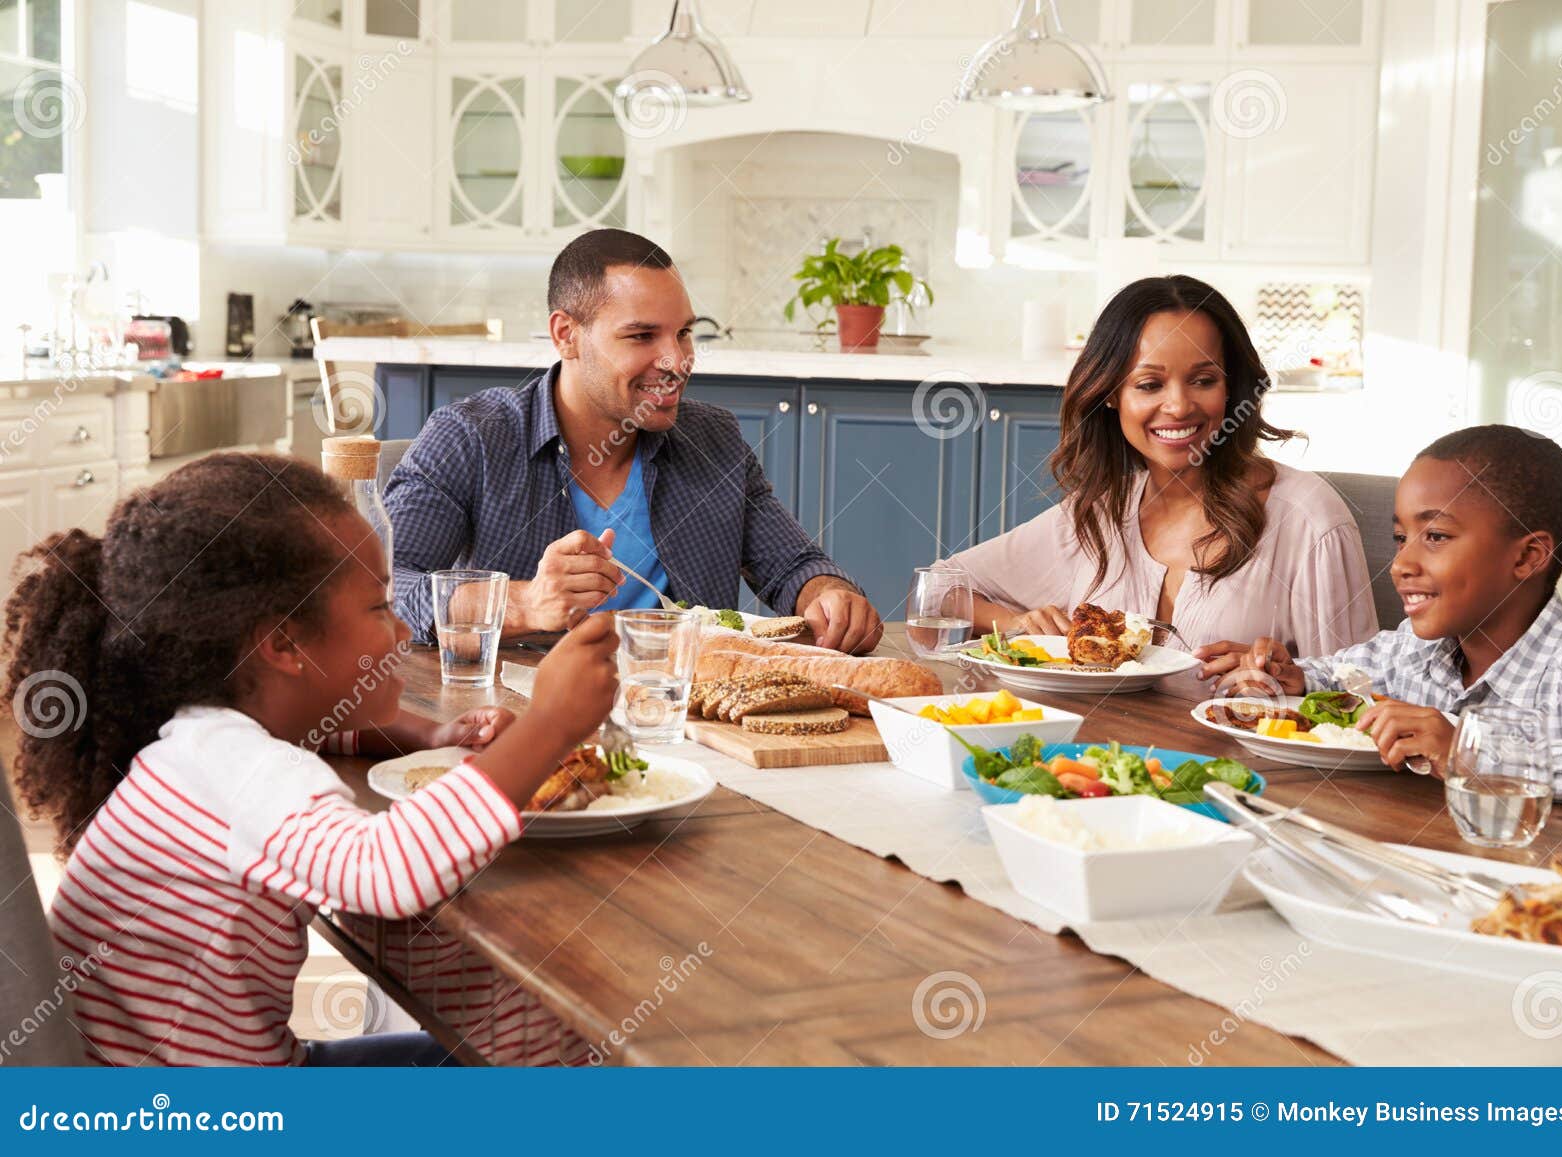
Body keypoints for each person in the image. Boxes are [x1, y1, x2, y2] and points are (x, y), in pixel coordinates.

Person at [1, 452, 617, 1066]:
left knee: (510, 1047)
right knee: (553, 1050)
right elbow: (387, 872)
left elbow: (313, 736)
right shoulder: (246, 772)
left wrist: (425, 737)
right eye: (379, 607)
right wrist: (550, 725)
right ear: (285, 644)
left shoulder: (203, 742)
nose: (403, 631)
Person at [385, 228, 882, 654]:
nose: (676, 361)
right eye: (642, 336)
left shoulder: (714, 439)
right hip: (524, 726)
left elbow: (792, 566)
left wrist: (829, 593)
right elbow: (382, 590)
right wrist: (525, 602)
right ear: (566, 335)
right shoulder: (471, 438)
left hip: (686, 721)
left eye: (684, 333)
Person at [935, 275, 1378, 699]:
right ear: (1110, 394)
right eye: (1149, 384)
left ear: (1232, 388)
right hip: (1100, 765)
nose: (1179, 405)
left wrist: (1290, 676)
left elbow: (1363, 691)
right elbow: (937, 594)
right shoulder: (1100, 514)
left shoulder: (1309, 519)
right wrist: (1016, 624)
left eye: (1204, 380)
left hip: (1250, 776)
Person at [1197, 425, 1562, 800]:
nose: (1401, 564)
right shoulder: (1414, 649)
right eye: (1400, 539)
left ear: (1528, 557)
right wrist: (1294, 677)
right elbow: (1341, 674)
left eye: (1436, 536)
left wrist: (1468, 751)